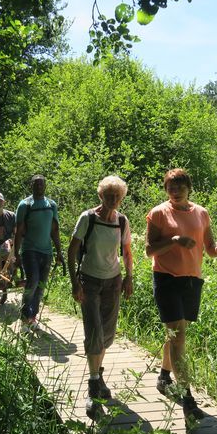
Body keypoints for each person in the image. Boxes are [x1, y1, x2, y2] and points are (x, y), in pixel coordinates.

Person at [145, 168, 217, 422]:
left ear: (189, 187)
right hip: (166, 278)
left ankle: (163, 376)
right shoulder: (158, 213)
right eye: (171, 186)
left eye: (180, 186)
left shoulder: (201, 213)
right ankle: (188, 399)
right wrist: (174, 240)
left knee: (175, 333)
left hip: (192, 280)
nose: (175, 190)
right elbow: (150, 250)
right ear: (165, 188)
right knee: (179, 335)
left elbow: (210, 249)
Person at [68, 175, 133, 420]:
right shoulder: (88, 218)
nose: (113, 199)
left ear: (122, 197)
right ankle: (93, 385)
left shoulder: (122, 221)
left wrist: (129, 277)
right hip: (90, 280)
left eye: (117, 196)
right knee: (94, 331)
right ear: (100, 195)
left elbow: (126, 251)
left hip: (113, 281)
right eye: (108, 195)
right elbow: (72, 249)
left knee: (107, 333)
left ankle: (98, 374)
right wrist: (74, 281)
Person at [14, 174, 63, 332]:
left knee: (40, 286)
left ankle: (32, 317)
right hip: (29, 250)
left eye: (41, 184)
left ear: (45, 186)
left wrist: (59, 253)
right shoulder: (25, 205)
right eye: (36, 184)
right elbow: (19, 230)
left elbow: (55, 230)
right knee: (32, 282)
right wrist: (16, 253)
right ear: (31, 186)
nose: (39, 187)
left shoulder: (51, 205)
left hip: (47, 252)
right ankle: (23, 318)